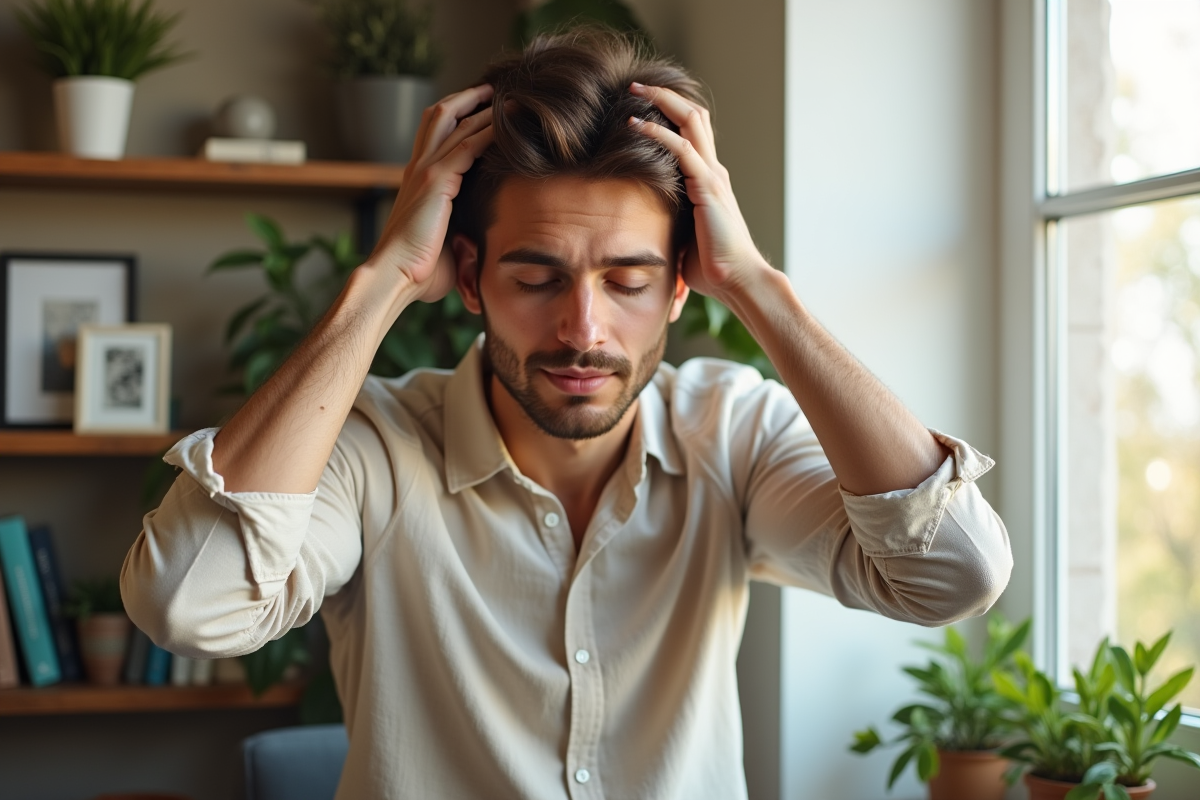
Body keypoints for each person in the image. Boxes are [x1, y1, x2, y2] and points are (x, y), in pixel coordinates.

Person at [121, 29, 1012, 800]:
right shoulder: (375, 450)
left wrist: (757, 288)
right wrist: (383, 278)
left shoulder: (732, 433)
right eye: (537, 277)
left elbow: (953, 575)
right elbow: (189, 606)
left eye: (628, 281)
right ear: (467, 277)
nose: (582, 330)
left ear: (679, 285)